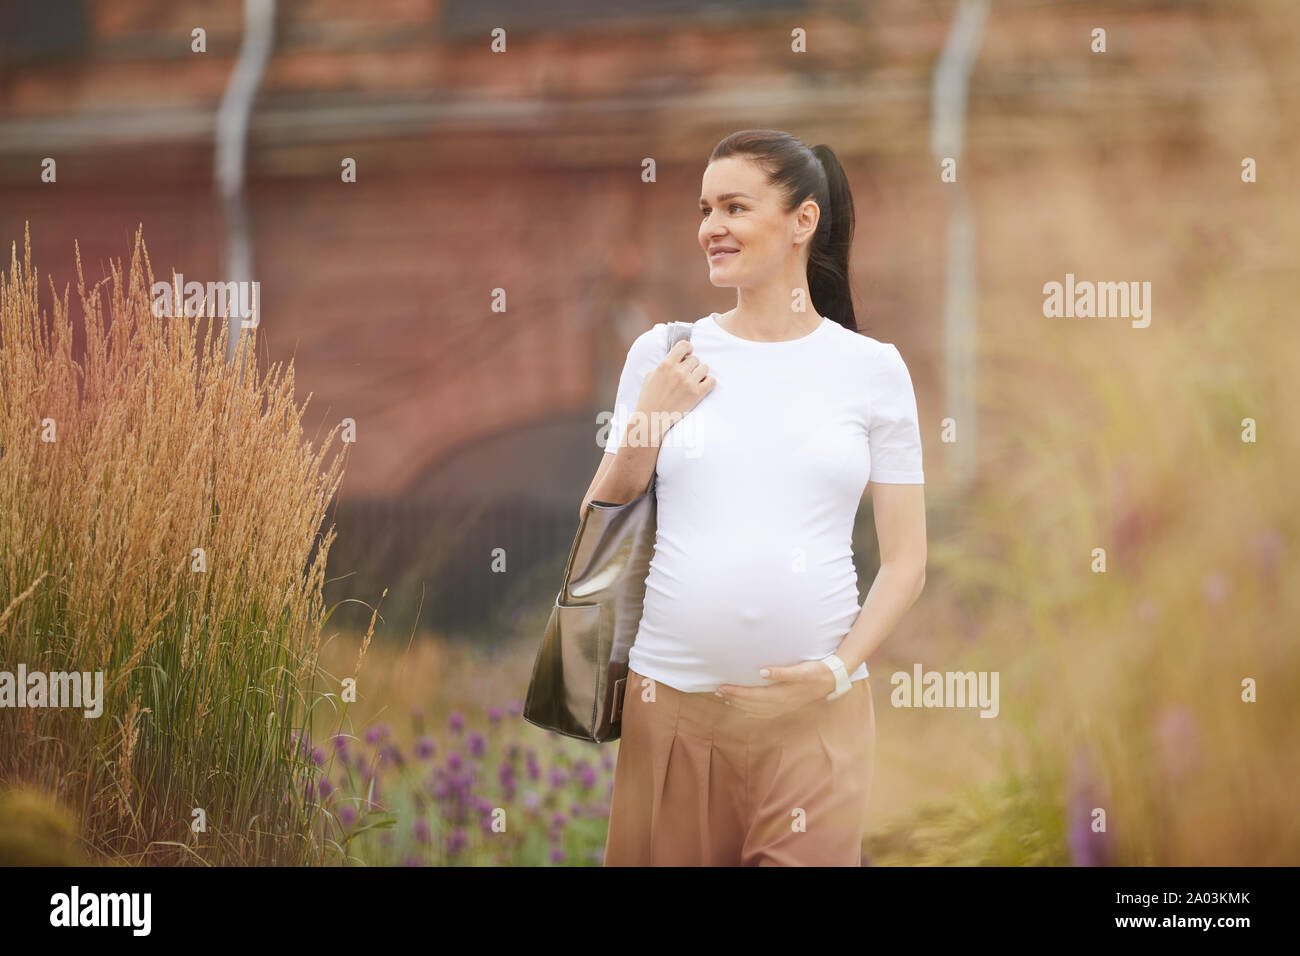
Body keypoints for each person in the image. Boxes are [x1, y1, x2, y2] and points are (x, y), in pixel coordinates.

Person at [582, 130, 928, 866]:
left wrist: (836, 673)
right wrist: (653, 414)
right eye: (705, 208)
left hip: (819, 722)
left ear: (802, 221)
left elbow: (907, 562)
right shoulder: (664, 354)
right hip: (669, 709)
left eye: (736, 207)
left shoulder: (872, 370)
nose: (711, 227)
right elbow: (597, 522)